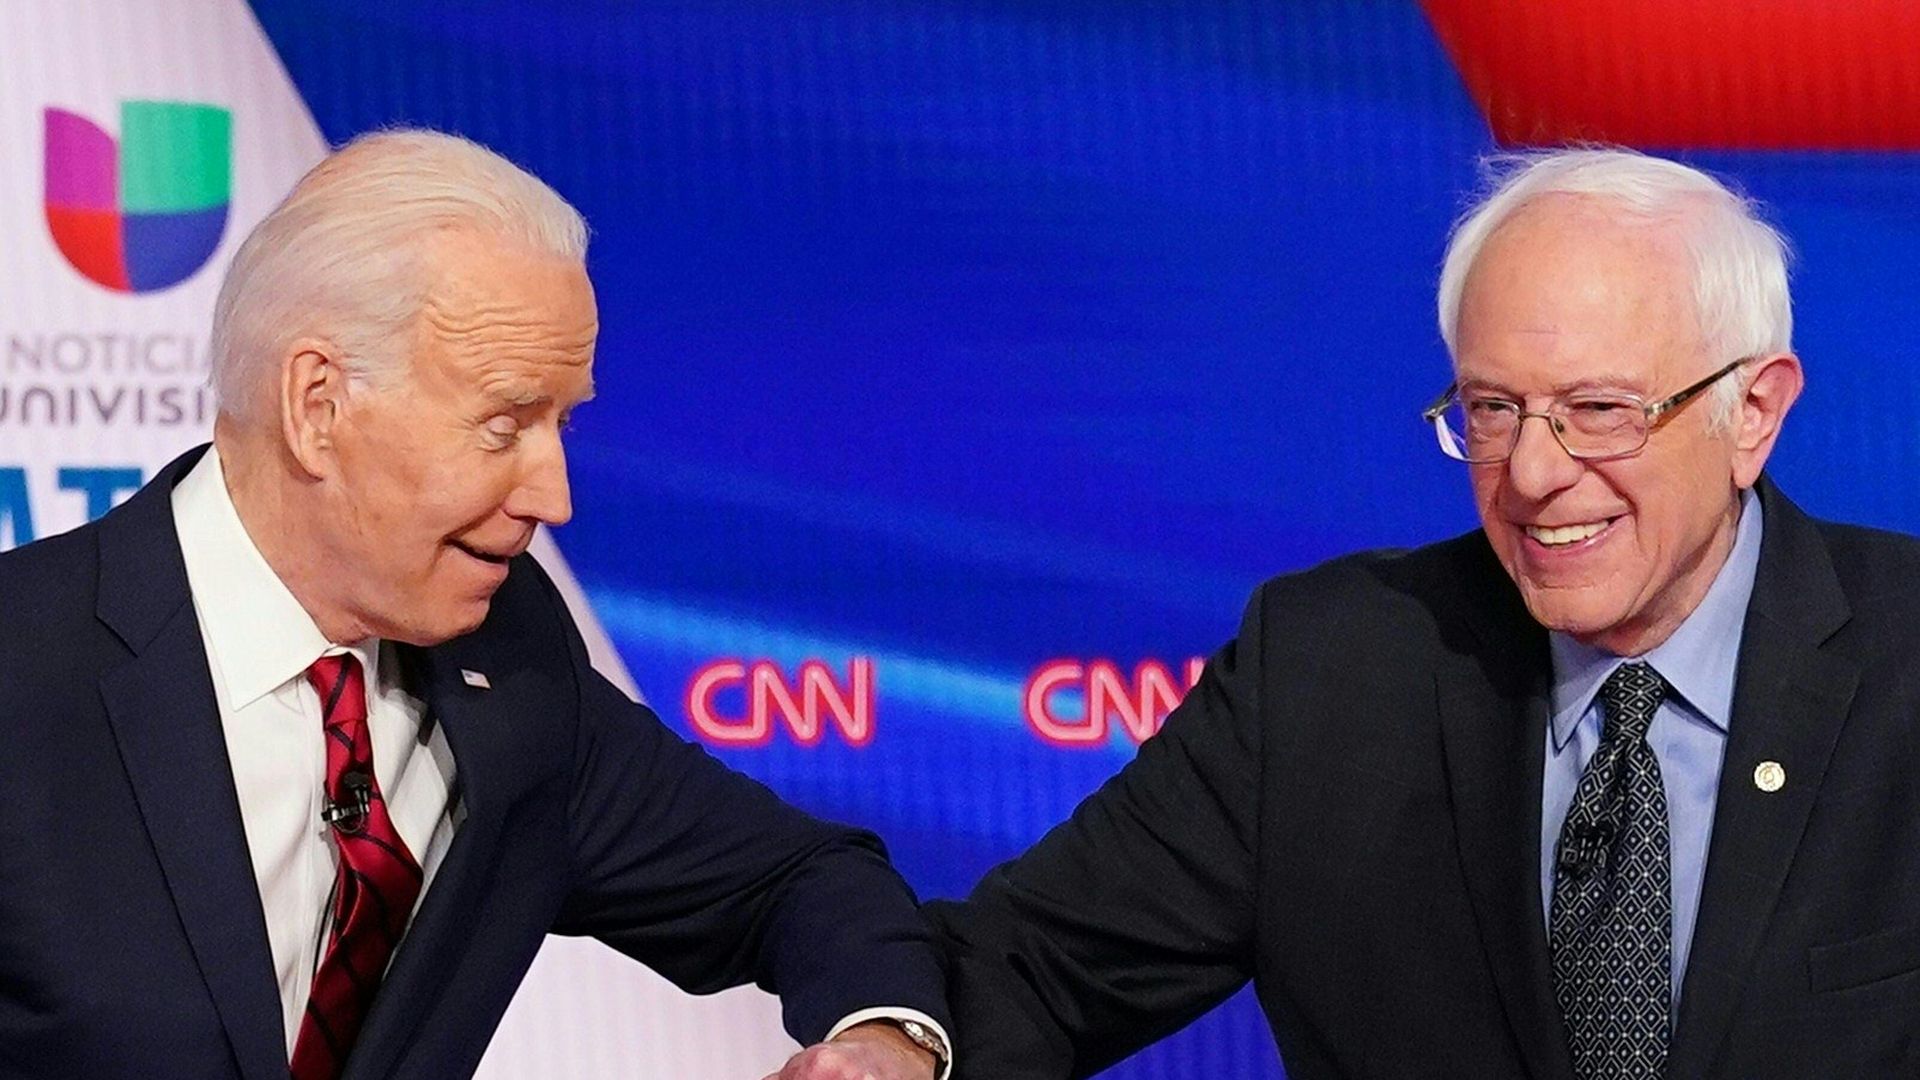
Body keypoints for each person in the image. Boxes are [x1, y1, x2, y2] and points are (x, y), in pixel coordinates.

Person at [928, 147, 1920, 1079]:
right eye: (1492, 409)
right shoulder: (1328, 672)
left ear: (1752, 412)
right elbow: (1030, 968)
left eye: (1600, 412)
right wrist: (891, 1036)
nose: (1532, 474)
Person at [0, 130, 950, 1080]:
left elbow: (793, 878)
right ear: (318, 405)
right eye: (505, 424)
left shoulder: (510, 652)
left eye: (562, 421)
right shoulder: (24, 667)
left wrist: (882, 1039)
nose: (554, 495)